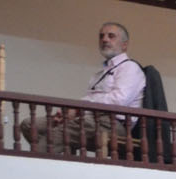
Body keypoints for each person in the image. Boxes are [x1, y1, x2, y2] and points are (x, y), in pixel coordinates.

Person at [19, 22, 144, 154]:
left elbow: (119, 100)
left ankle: (36, 160)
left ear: (124, 45)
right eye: (101, 36)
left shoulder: (130, 67)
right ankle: (57, 158)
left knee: (60, 133)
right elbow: (91, 102)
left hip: (113, 124)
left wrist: (79, 109)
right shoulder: (98, 75)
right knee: (29, 125)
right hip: (90, 118)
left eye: (111, 36)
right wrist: (70, 113)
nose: (104, 39)